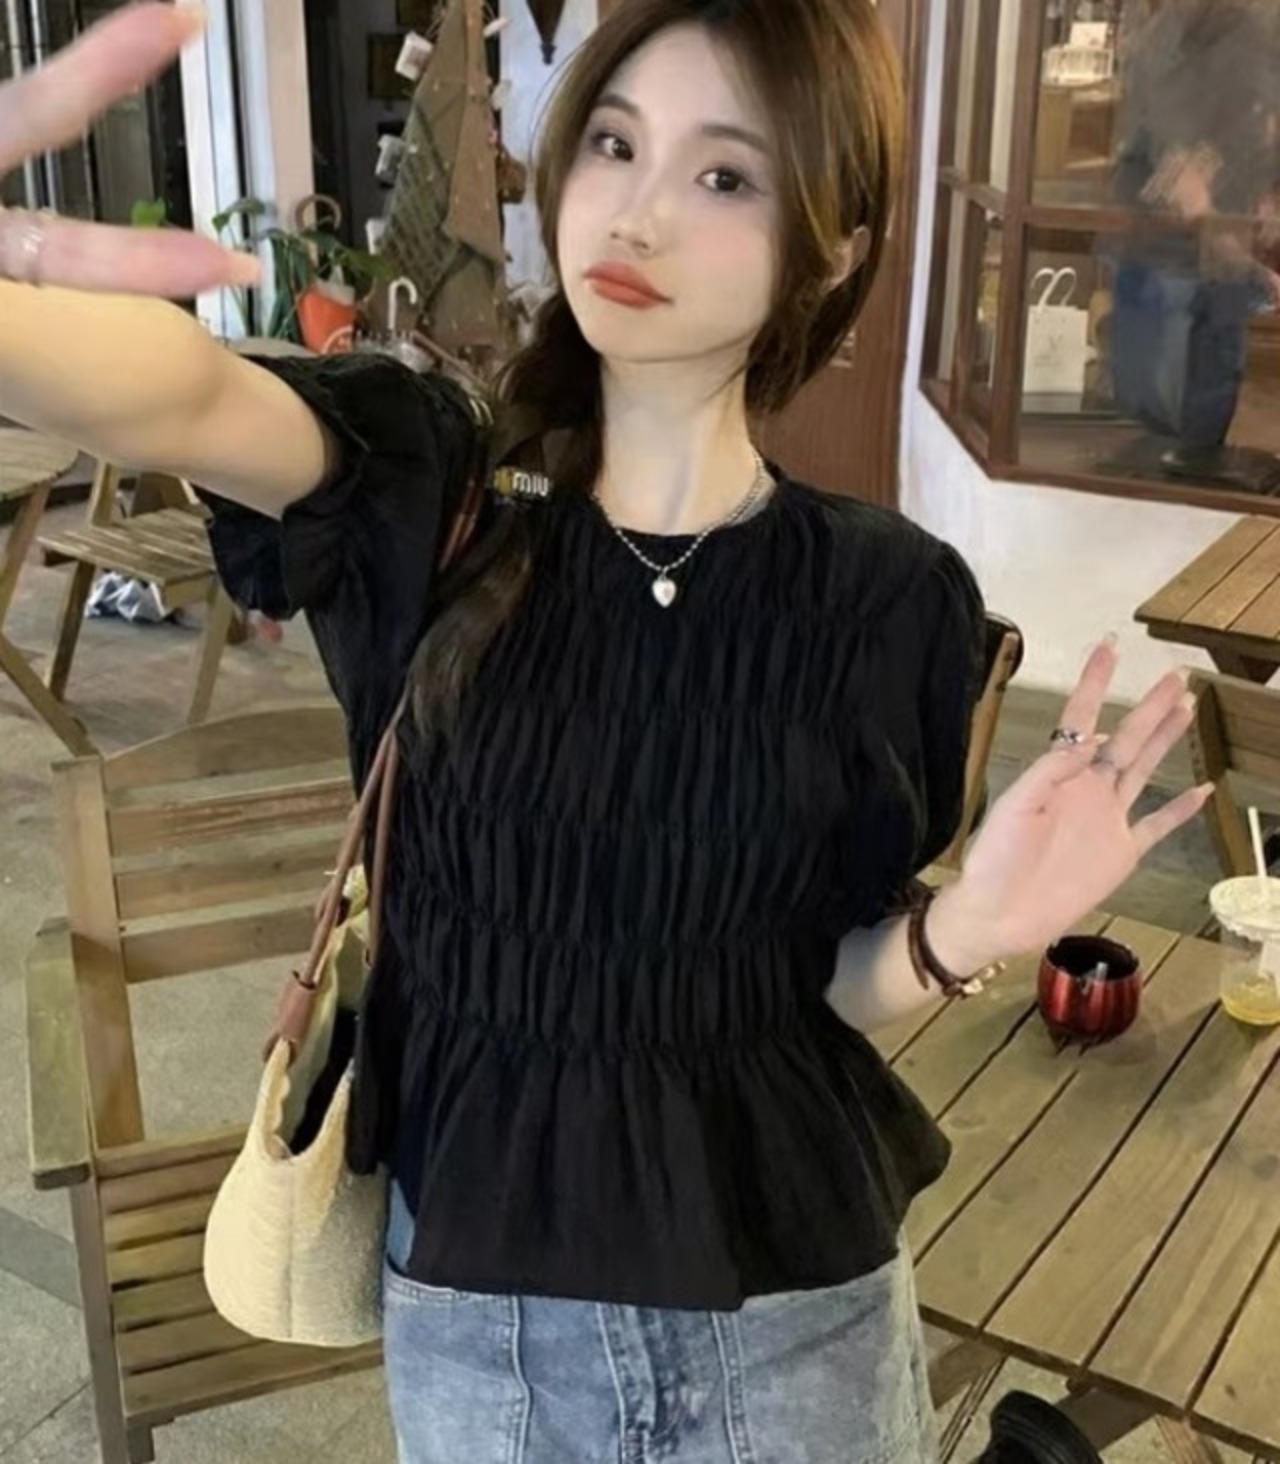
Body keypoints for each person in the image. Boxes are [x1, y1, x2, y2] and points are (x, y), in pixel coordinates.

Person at [0, 4, 1210, 1461]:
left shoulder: (886, 599)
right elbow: (182, 395)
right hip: (485, 1336)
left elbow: (811, 998)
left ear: (830, 248)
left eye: (724, 175)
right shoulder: (430, 494)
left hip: (796, 1324)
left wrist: (970, 928)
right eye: (616, 146)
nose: (638, 213)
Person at [1109, 0, 1280, 447]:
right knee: (1152, 421)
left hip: (1223, 259)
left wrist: (1268, 190)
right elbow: (1168, 151)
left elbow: (1262, 119)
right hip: (1162, 252)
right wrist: (1193, 185)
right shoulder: (1163, 39)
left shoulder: (1257, 34)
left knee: (1209, 410)